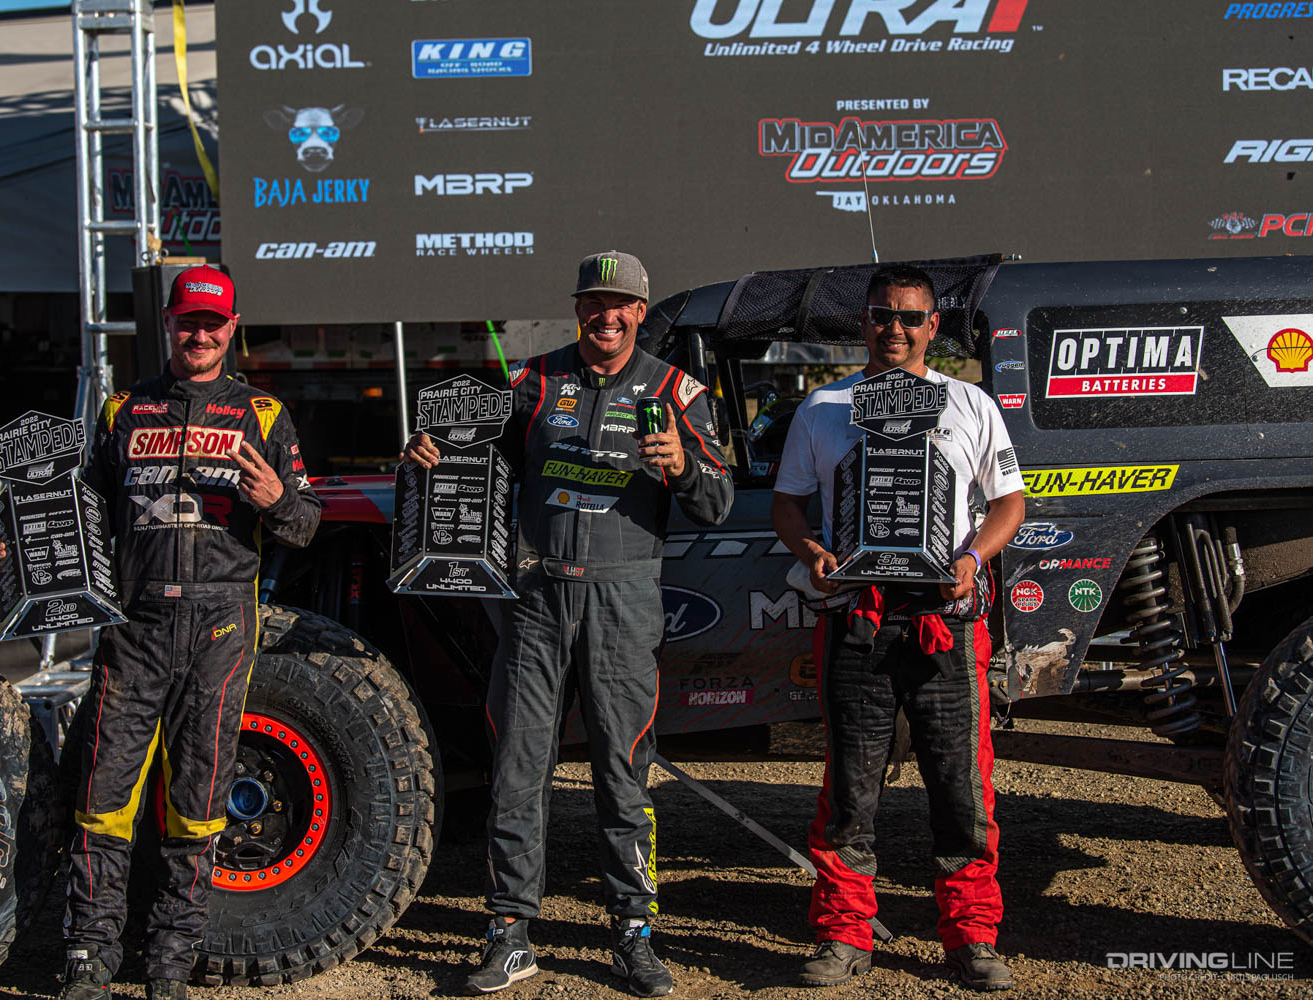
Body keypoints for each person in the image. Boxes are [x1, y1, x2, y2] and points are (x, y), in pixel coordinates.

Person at [0, 266, 321, 1000]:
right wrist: (10, 547)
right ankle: (88, 957)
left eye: (213, 323)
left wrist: (277, 499)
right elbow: (77, 518)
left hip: (222, 624)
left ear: (233, 328)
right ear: (168, 322)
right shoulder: (122, 411)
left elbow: (306, 525)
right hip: (134, 626)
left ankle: (170, 961)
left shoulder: (265, 414)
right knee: (102, 795)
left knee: (197, 801)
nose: (200, 334)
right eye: (188, 320)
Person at [403, 251, 733, 997]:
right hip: (536, 599)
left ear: (641, 312)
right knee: (518, 770)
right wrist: (429, 459)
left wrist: (682, 463)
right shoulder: (528, 382)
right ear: (577, 305)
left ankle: (632, 932)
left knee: (624, 775)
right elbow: (475, 476)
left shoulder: (679, 390)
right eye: (593, 301)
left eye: (620, 304)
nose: (605, 315)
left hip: (623, 601)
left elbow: (714, 502)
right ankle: (509, 930)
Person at [769, 265, 1025, 992]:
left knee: (962, 789)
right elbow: (788, 504)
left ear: (933, 326)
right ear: (863, 322)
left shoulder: (970, 402)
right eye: (883, 315)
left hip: (946, 622)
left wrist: (974, 556)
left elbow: (1010, 502)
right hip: (859, 619)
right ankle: (843, 936)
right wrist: (813, 552)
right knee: (850, 791)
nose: (896, 329)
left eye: (911, 318)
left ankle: (972, 936)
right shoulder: (823, 406)